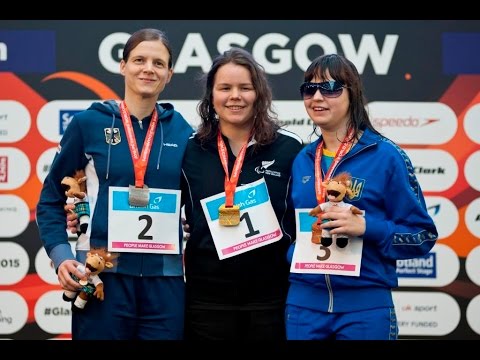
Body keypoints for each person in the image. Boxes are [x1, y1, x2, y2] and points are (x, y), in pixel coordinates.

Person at [36, 28, 194, 340]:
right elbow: (50, 199)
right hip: (102, 278)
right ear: (123, 66)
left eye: (158, 63)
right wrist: (60, 256)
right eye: (139, 60)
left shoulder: (183, 131)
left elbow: (197, 202)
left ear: (170, 74)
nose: (148, 68)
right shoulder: (88, 124)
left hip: (165, 282)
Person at [285, 53, 438, 340]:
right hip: (304, 306)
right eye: (309, 89)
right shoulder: (302, 159)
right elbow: (290, 230)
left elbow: (422, 236)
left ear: (352, 94)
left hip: (364, 309)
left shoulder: (386, 156)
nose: (317, 97)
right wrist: (293, 253)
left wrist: (367, 227)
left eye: (330, 88)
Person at [181, 47, 303, 340]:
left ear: (258, 94)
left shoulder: (289, 148)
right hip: (206, 300)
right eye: (225, 88)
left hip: (271, 299)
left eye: (244, 88)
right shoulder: (190, 150)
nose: (235, 96)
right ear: (211, 96)